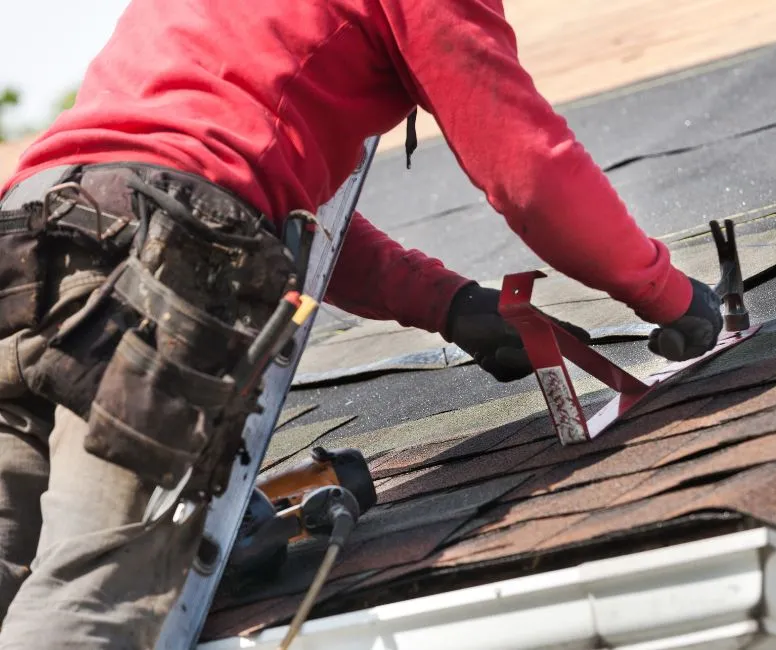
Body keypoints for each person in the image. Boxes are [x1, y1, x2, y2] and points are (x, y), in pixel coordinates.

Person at [0, 0, 722, 646]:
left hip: (27, 241)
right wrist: (664, 292)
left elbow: (240, 195)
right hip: (166, 268)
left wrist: (447, 304)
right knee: (93, 596)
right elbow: (528, 171)